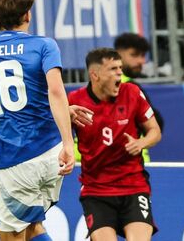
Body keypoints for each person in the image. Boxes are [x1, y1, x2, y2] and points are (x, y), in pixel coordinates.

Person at [0, 0, 75, 241]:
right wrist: (68, 142)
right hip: (51, 154)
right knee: (33, 227)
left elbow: (3, 107)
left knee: (11, 237)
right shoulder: (44, 46)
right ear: (27, 14)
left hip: (16, 158)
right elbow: (55, 92)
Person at [68, 48, 161, 240]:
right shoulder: (75, 102)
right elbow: (54, 135)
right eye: (112, 69)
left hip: (134, 185)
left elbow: (155, 131)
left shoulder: (132, 92)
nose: (120, 73)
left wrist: (141, 142)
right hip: (96, 190)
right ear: (95, 75)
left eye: (120, 68)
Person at [113, 32, 165, 162]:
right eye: (134, 55)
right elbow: (157, 123)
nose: (141, 61)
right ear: (117, 53)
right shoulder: (129, 87)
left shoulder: (94, 86)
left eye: (143, 56)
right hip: (125, 164)